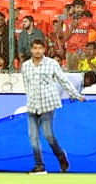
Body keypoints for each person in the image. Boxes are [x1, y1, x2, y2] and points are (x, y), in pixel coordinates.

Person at [21, 38, 84, 174]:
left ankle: (61, 156)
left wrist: (76, 95)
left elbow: (63, 80)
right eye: (35, 48)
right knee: (33, 136)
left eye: (40, 48)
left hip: (48, 103)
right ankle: (39, 165)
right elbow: (26, 84)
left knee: (48, 134)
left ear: (44, 50)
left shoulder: (52, 64)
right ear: (31, 50)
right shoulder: (25, 66)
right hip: (32, 104)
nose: (37, 51)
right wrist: (30, 97)